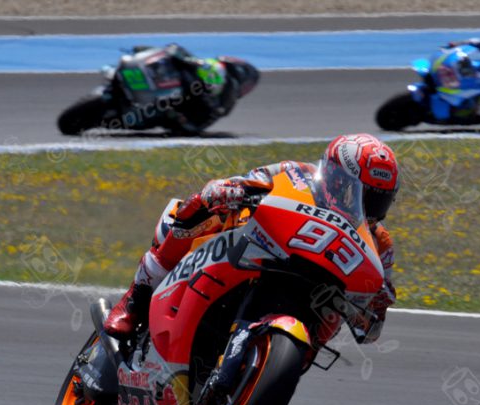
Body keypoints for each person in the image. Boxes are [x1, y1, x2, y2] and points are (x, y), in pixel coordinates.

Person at [104, 133, 399, 349]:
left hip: (309, 300)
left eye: (378, 201)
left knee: (331, 317)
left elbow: (371, 326)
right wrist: (230, 189)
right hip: (256, 249)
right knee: (197, 210)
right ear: (337, 178)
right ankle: (136, 299)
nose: (368, 209)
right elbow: (244, 181)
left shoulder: (379, 245)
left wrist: (377, 304)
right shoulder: (297, 174)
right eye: (363, 195)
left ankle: (269, 378)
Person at [133, 43, 238, 134]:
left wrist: (177, 118)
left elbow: (193, 127)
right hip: (154, 76)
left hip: (158, 105)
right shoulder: (192, 64)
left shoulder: (207, 106)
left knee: (150, 115)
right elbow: (173, 48)